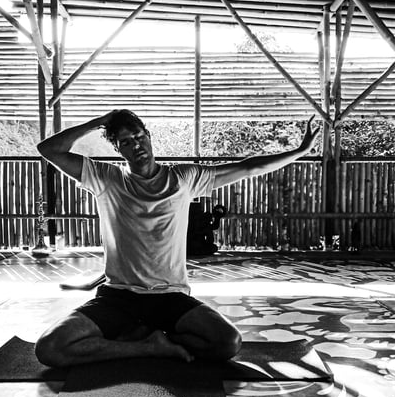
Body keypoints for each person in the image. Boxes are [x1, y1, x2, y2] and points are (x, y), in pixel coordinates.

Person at [34, 109, 318, 367]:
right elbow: (48, 149)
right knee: (50, 348)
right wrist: (98, 122)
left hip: (170, 296)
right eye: (126, 142)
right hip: (118, 297)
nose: (136, 145)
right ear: (119, 150)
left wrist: (301, 150)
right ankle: (148, 347)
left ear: (149, 137)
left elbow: (248, 167)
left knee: (228, 342)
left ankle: (135, 340)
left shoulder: (184, 178)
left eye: (138, 136)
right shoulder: (107, 178)